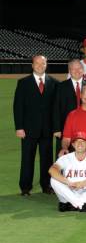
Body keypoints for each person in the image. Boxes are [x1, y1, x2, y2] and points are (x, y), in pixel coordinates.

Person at [13, 55, 58, 195]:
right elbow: (18, 106)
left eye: (42, 63)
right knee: (27, 159)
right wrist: (19, 127)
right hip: (28, 129)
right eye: (37, 63)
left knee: (47, 159)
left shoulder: (54, 83)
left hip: (47, 129)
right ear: (32, 65)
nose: (40, 65)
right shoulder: (23, 83)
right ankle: (25, 187)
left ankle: (46, 186)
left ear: (46, 65)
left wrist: (56, 128)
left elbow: (56, 108)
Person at [49, 132, 86, 212]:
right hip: (69, 193)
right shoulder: (66, 158)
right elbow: (52, 170)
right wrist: (68, 182)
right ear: (73, 144)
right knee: (54, 179)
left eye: (82, 141)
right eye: (77, 142)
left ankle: (76, 204)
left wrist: (84, 182)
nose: (80, 144)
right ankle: (81, 204)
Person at [53, 59, 86, 156]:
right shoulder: (60, 87)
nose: (77, 71)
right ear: (69, 71)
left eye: (79, 68)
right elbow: (55, 108)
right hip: (65, 128)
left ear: (83, 70)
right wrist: (56, 128)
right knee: (64, 157)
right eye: (73, 69)